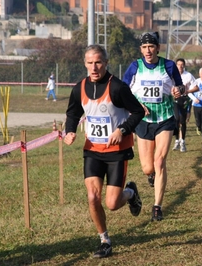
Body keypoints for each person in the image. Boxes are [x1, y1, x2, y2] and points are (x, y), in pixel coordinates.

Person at [64, 44, 145, 258]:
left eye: (98, 62)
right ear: (85, 64)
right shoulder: (79, 88)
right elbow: (73, 113)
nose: (94, 67)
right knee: (92, 197)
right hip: (92, 150)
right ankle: (105, 240)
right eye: (90, 63)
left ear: (106, 63)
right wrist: (70, 131)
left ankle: (130, 193)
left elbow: (138, 112)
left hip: (117, 151)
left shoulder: (117, 87)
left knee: (112, 203)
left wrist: (123, 129)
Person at [123, 31, 183, 221]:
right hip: (143, 121)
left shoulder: (168, 66)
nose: (148, 51)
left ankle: (157, 207)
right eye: (144, 47)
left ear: (157, 48)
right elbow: (123, 91)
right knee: (148, 168)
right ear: (140, 49)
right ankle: (148, 179)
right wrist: (137, 105)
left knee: (159, 162)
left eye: (151, 47)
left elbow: (180, 87)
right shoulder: (135, 67)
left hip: (165, 119)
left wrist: (177, 91)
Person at [172, 58, 198, 152]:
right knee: (176, 119)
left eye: (182, 65)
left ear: (184, 66)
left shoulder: (188, 75)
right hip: (175, 99)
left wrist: (187, 91)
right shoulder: (172, 74)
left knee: (183, 121)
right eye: (178, 65)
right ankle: (176, 141)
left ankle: (182, 141)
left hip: (184, 99)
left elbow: (196, 88)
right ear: (176, 66)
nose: (180, 66)